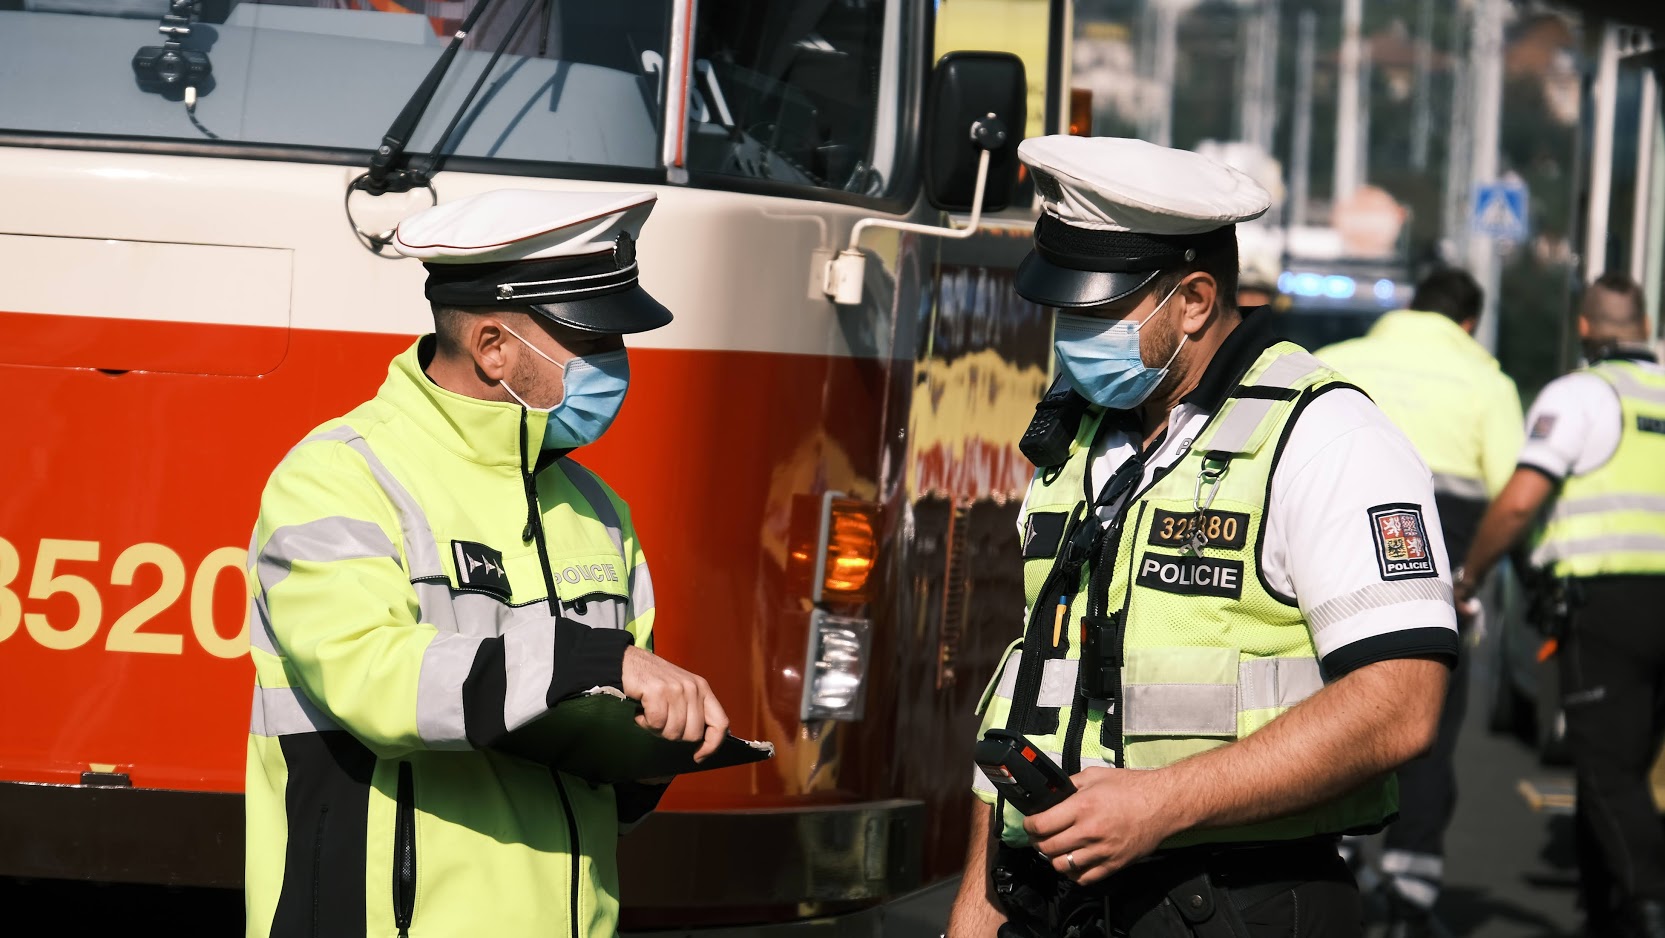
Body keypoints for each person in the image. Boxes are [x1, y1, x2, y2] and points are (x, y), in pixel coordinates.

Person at [944, 136, 1455, 938]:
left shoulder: (1326, 436)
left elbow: (1399, 704)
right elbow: (1032, 688)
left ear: (1192, 301)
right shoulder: (1078, 438)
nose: (1071, 333)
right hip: (1057, 902)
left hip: (1240, 904)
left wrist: (1162, 803)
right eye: (1064, 309)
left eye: (1097, 311)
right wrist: (973, 915)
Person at [243, 189, 730, 937]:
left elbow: (610, 781)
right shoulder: (339, 477)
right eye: (592, 339)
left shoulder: (599, 510)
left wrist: (656, 749)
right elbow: (371, 679)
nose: (616, 364)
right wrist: (591, 661)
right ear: (494, 347)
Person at [1316, 267, 1524, 936]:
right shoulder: (1487, 384)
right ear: (1469, 323)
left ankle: (1332, 861)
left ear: (1411, 306)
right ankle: (1410, 891)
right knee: (1425, 720)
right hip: (1438, 559)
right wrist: (1469, 579)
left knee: (1326, 712)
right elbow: (1512, 491)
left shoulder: (1334, 361)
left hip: (1333, 554)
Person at [1456, 273, 1665, 938]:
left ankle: (1649, 904)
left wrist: (1470, 575)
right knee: (1637, 767)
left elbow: (1520, 501)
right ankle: (1605, 914)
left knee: (1607, 771)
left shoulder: (1580, 395)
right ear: (1645, 325)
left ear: (1583, 327)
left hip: (1606, 610)